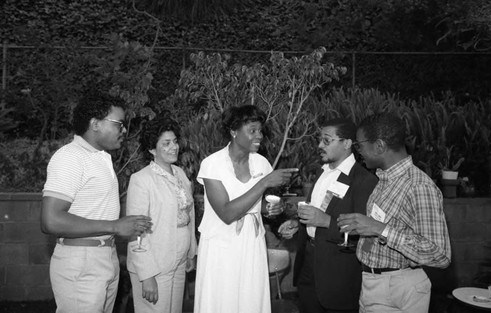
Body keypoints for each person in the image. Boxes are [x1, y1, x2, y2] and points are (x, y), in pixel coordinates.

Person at [40, 93, 152, 313]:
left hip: (105, 256)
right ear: (95, 124)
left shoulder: (100, 157)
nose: (124, 130)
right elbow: (50, 221)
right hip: (81, 262)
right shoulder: (70, 157)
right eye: (119, 124)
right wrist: (114, 226)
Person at [338, 112, 452, 313]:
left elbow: (439, 255)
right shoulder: (384, 179)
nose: (358, 152)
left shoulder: (418, 186)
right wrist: (364, 229)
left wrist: (380, 229)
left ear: (380, 146)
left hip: (397, 288)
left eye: (359, 145)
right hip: (374, 283)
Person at [193, 105, 298, 313]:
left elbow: (262, 206)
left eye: (260, 130)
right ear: (234, 132)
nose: (259, 136)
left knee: (249, 300)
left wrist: (271, 211)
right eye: (252, 130)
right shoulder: (212, 165)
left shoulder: (261, 163)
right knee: (222, 300)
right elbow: (227, 213)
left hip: (252, 242)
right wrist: (264, 182)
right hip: (221, 246)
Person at [278, 118, 378, 313]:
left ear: (347, 143)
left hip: (338, 274)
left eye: (326, 140)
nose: (319, 145)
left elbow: (366, 235)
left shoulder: (364, 180)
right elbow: (316, 212)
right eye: (320, 140)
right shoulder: (322, 173)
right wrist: (297, 224)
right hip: (308, 264)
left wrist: (326, 222)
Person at [126, 117, 197, 313]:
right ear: (152, 149)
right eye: (166, 143)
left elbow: (189, 214)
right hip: (155, 262)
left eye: (175, 141)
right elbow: (136, 231)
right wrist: (146, 275)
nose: (173, 147)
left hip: (180, 259)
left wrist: (191, 251)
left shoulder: (180, 174)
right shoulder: (142, 180)